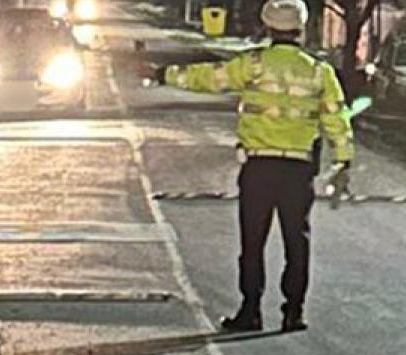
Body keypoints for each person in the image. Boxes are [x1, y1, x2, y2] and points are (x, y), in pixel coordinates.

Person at [151, 0, 353, 332]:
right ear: (301, 30)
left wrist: (166, 74)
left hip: (259, 168)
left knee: (253, 242)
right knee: (297, 242)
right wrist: (344, 161)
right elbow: (337, 120)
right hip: (298, 170)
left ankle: (251, 311)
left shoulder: (254, 64)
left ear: (268, 27)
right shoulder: (320, 72)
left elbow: (210, 78)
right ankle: (294, 313)